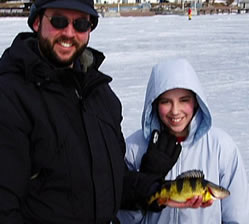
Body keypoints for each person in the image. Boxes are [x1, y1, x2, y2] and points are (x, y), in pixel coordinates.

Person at [0, 1, 202, 223]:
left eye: (80, 24)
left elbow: (111, 182)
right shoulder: (11, 96)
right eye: (58, 21)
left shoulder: (99, 94)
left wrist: (155, 188)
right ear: (37, 21)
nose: (69, 32)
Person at [117, 58, 249, 223]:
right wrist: (147, 179)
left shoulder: (221, 148)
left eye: (184, 100)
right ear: (155, 104)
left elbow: (237, 217)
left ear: (196, 101)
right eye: (165, 101)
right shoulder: (132, 148)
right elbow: (120, 219)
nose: (175, 111)